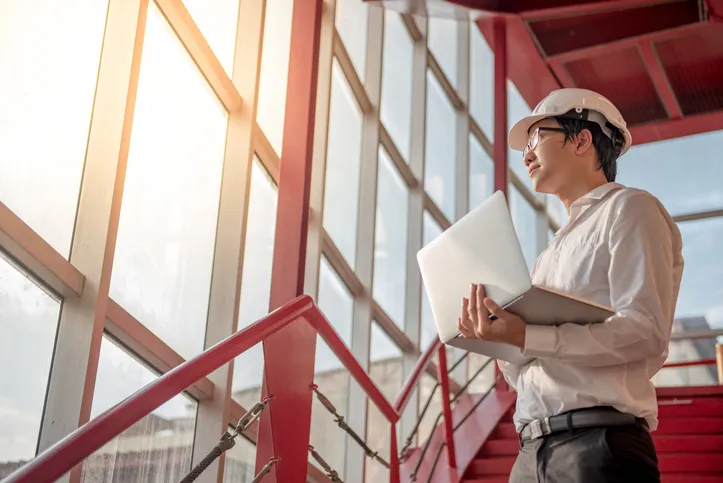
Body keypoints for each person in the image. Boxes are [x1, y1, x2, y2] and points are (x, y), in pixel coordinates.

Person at [457, 88, 684, 483]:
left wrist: (530, 335)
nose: (526, 155)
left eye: (537, 137)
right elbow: (527, 370)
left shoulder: (630, 209)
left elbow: (646, 332)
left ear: (582, 138)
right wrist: (499, 339)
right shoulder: (547, 257)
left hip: (598, 446)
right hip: (530, 452)